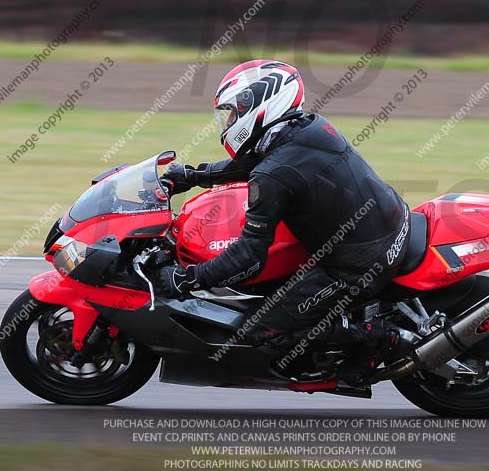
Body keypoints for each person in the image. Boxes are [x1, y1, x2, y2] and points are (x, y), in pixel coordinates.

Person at [155, 59, 411, 370]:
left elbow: (249, 256)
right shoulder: (307, 127)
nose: (229, 121)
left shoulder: (273, 174)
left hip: (360, 264)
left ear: (263, 105)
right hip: (387, 224)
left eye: (234, 112)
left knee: (264, 332)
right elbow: (260, 162)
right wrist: (193, 175)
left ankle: (384, 338)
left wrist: (187, 279)